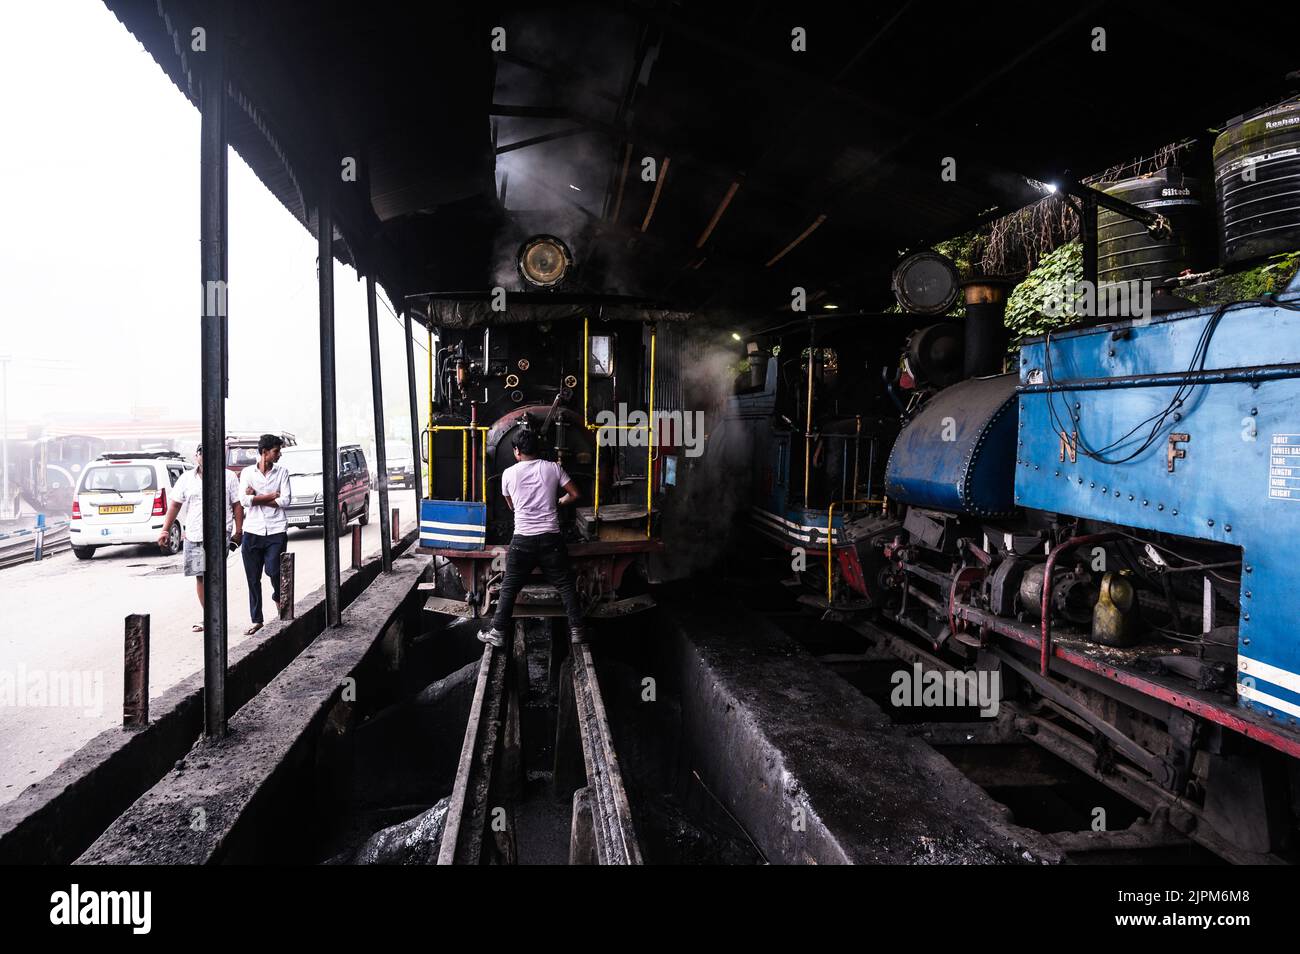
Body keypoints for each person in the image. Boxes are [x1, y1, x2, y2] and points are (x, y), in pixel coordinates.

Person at [479, 430, 585, 647]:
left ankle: (498, 633)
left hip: (523, 540)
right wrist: (558, 502)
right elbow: (575, 494)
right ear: (538, 449)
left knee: (509, 586)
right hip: (551, 539)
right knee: (565, 584)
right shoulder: (553, 468)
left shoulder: (508, 474)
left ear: (517, 451)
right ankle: (577, 631)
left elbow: (511, 506)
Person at [158, 446, 243, 632]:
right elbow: (175, 505)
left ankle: (218, 615)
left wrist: (239, 530)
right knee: (200, 576)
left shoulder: (228, 477)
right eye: (202, 453)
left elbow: (237, 505)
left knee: (215, 576)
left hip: (220, 535)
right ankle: (209, 616)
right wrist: (165, 530)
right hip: (195, 535)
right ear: (197, 457)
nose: (205, 457)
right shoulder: (186, 478)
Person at [238, 434, 292, 636]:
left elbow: (285, 501)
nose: (279, 455)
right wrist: (270, 496)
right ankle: (257, 620)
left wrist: (256, 497)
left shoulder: (282, 472)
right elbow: (244, 500)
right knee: (253, 578)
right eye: (276, 451)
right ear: (264, 452)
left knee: (274, 570)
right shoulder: (247, 473)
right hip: (252, 530)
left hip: (276, 530)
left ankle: (279, 596)